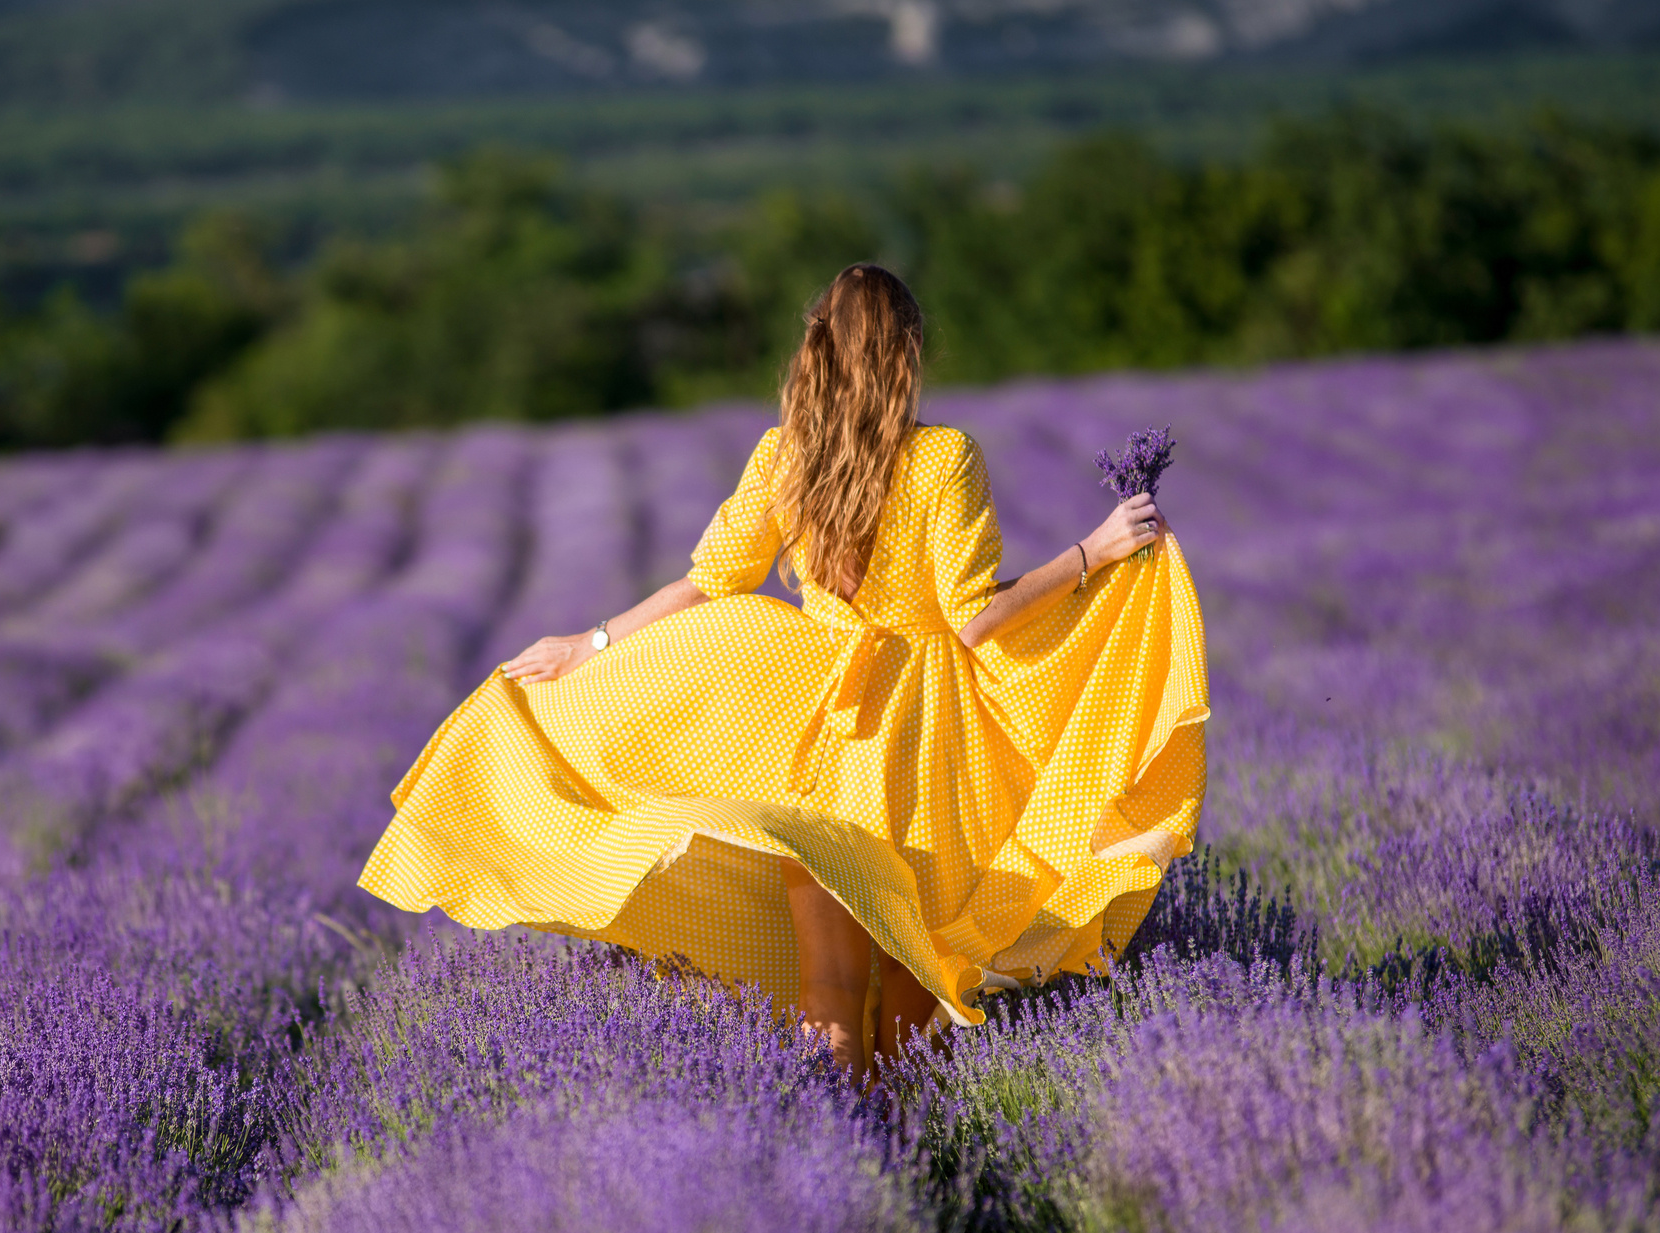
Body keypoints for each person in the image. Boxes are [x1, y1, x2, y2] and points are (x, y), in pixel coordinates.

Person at [356, 263, 1208, 1081]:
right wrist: (1092, 552)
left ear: (818, 349)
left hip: (811, 725)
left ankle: (842, 1146)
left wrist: (594, 644)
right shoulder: (944, 457)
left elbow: (709, 582)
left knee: (826, 985)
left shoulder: (785, 456)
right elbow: (974, 617)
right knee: (915, 978)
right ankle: (911, 1144)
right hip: (919, 739)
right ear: (907, 353)